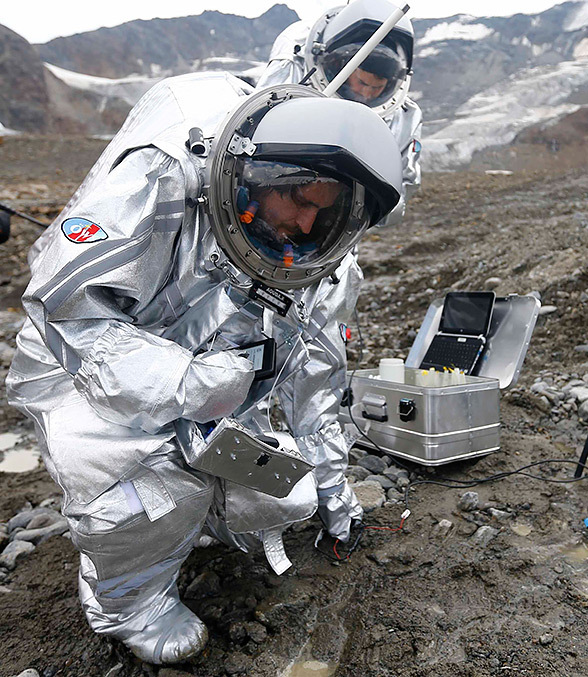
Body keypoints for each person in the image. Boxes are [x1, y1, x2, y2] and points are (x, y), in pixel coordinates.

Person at [6, 72, 402, 664]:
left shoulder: (319, 271)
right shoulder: (165, 177)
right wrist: (183, 381)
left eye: (322, 214)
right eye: (296, 198)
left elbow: (317, 391)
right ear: (260, 174)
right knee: (143, 490)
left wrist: (332, 493)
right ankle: (124, 601)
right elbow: (67, 310)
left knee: (284, 491)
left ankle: (188, 524)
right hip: (82, 373)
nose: (301, 225)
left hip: (207, 397)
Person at [256, 0, 422, 225]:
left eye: (377, 88)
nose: (366, 93)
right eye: (362, 82)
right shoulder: (295, 65)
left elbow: (397, 195)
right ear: (341, 64)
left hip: (337, 224)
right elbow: (258, 131)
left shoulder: (402, 115)